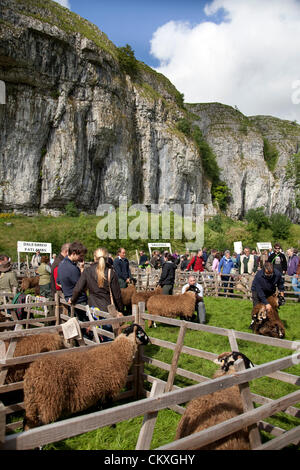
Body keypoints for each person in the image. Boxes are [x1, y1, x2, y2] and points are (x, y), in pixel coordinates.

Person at [70, 247, 123, 341]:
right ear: (106, 258)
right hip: (108, 310)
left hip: (93, 309)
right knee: (109, 337)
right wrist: (120, 309)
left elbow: (78, 289)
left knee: (97, 335)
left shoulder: (87, 271)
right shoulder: (111, 272)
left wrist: (73, 299)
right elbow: (117, 295)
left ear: (94, 258)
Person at [56, 241, 88, 322]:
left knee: (75, 323)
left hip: (69, 299)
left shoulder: (61, 264)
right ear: (73, 253)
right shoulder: (73, 269)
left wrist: (67, 289)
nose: (81, 258)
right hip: (79, 301)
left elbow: (58, 282)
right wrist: (82, 270)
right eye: (80, 256)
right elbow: (82, 286)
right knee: (84, 325)